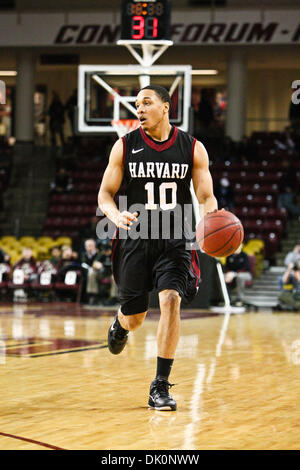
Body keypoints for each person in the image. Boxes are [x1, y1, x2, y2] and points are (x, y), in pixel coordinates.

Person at [98, 85, 218, 411]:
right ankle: (120, 323)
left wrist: (209, 224)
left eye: (146, 102)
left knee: (170, 299)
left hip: (176, 236)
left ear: (165, 107)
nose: (139, 109)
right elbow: (105, 194)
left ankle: (160, 384)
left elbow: (206, 197)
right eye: (136, 104)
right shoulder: (124, 146)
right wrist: (113, 214)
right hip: (136, 237)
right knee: (136, 317)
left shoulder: (192, 148)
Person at [80, 239, 103, 305]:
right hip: (87, 273)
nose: (88, 248)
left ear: (94, 246)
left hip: (99, 273)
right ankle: (89, 297)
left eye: (90, 246)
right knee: (90, 273)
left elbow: (99, 265)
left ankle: (92, 295)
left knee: (92, 273)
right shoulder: (83, 254)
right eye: (86, 246)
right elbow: (83, 264)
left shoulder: (99, 254)